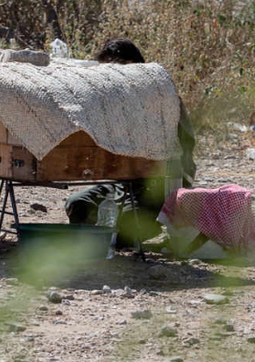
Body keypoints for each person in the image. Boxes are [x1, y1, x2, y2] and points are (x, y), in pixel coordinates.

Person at [64, 38, 197, 245]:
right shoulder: (118, 100)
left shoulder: (162, 98)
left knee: (127, 226)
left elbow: (177, 151)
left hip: (160, 182)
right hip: (124, 181)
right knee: (78, 203)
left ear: (128, 66)